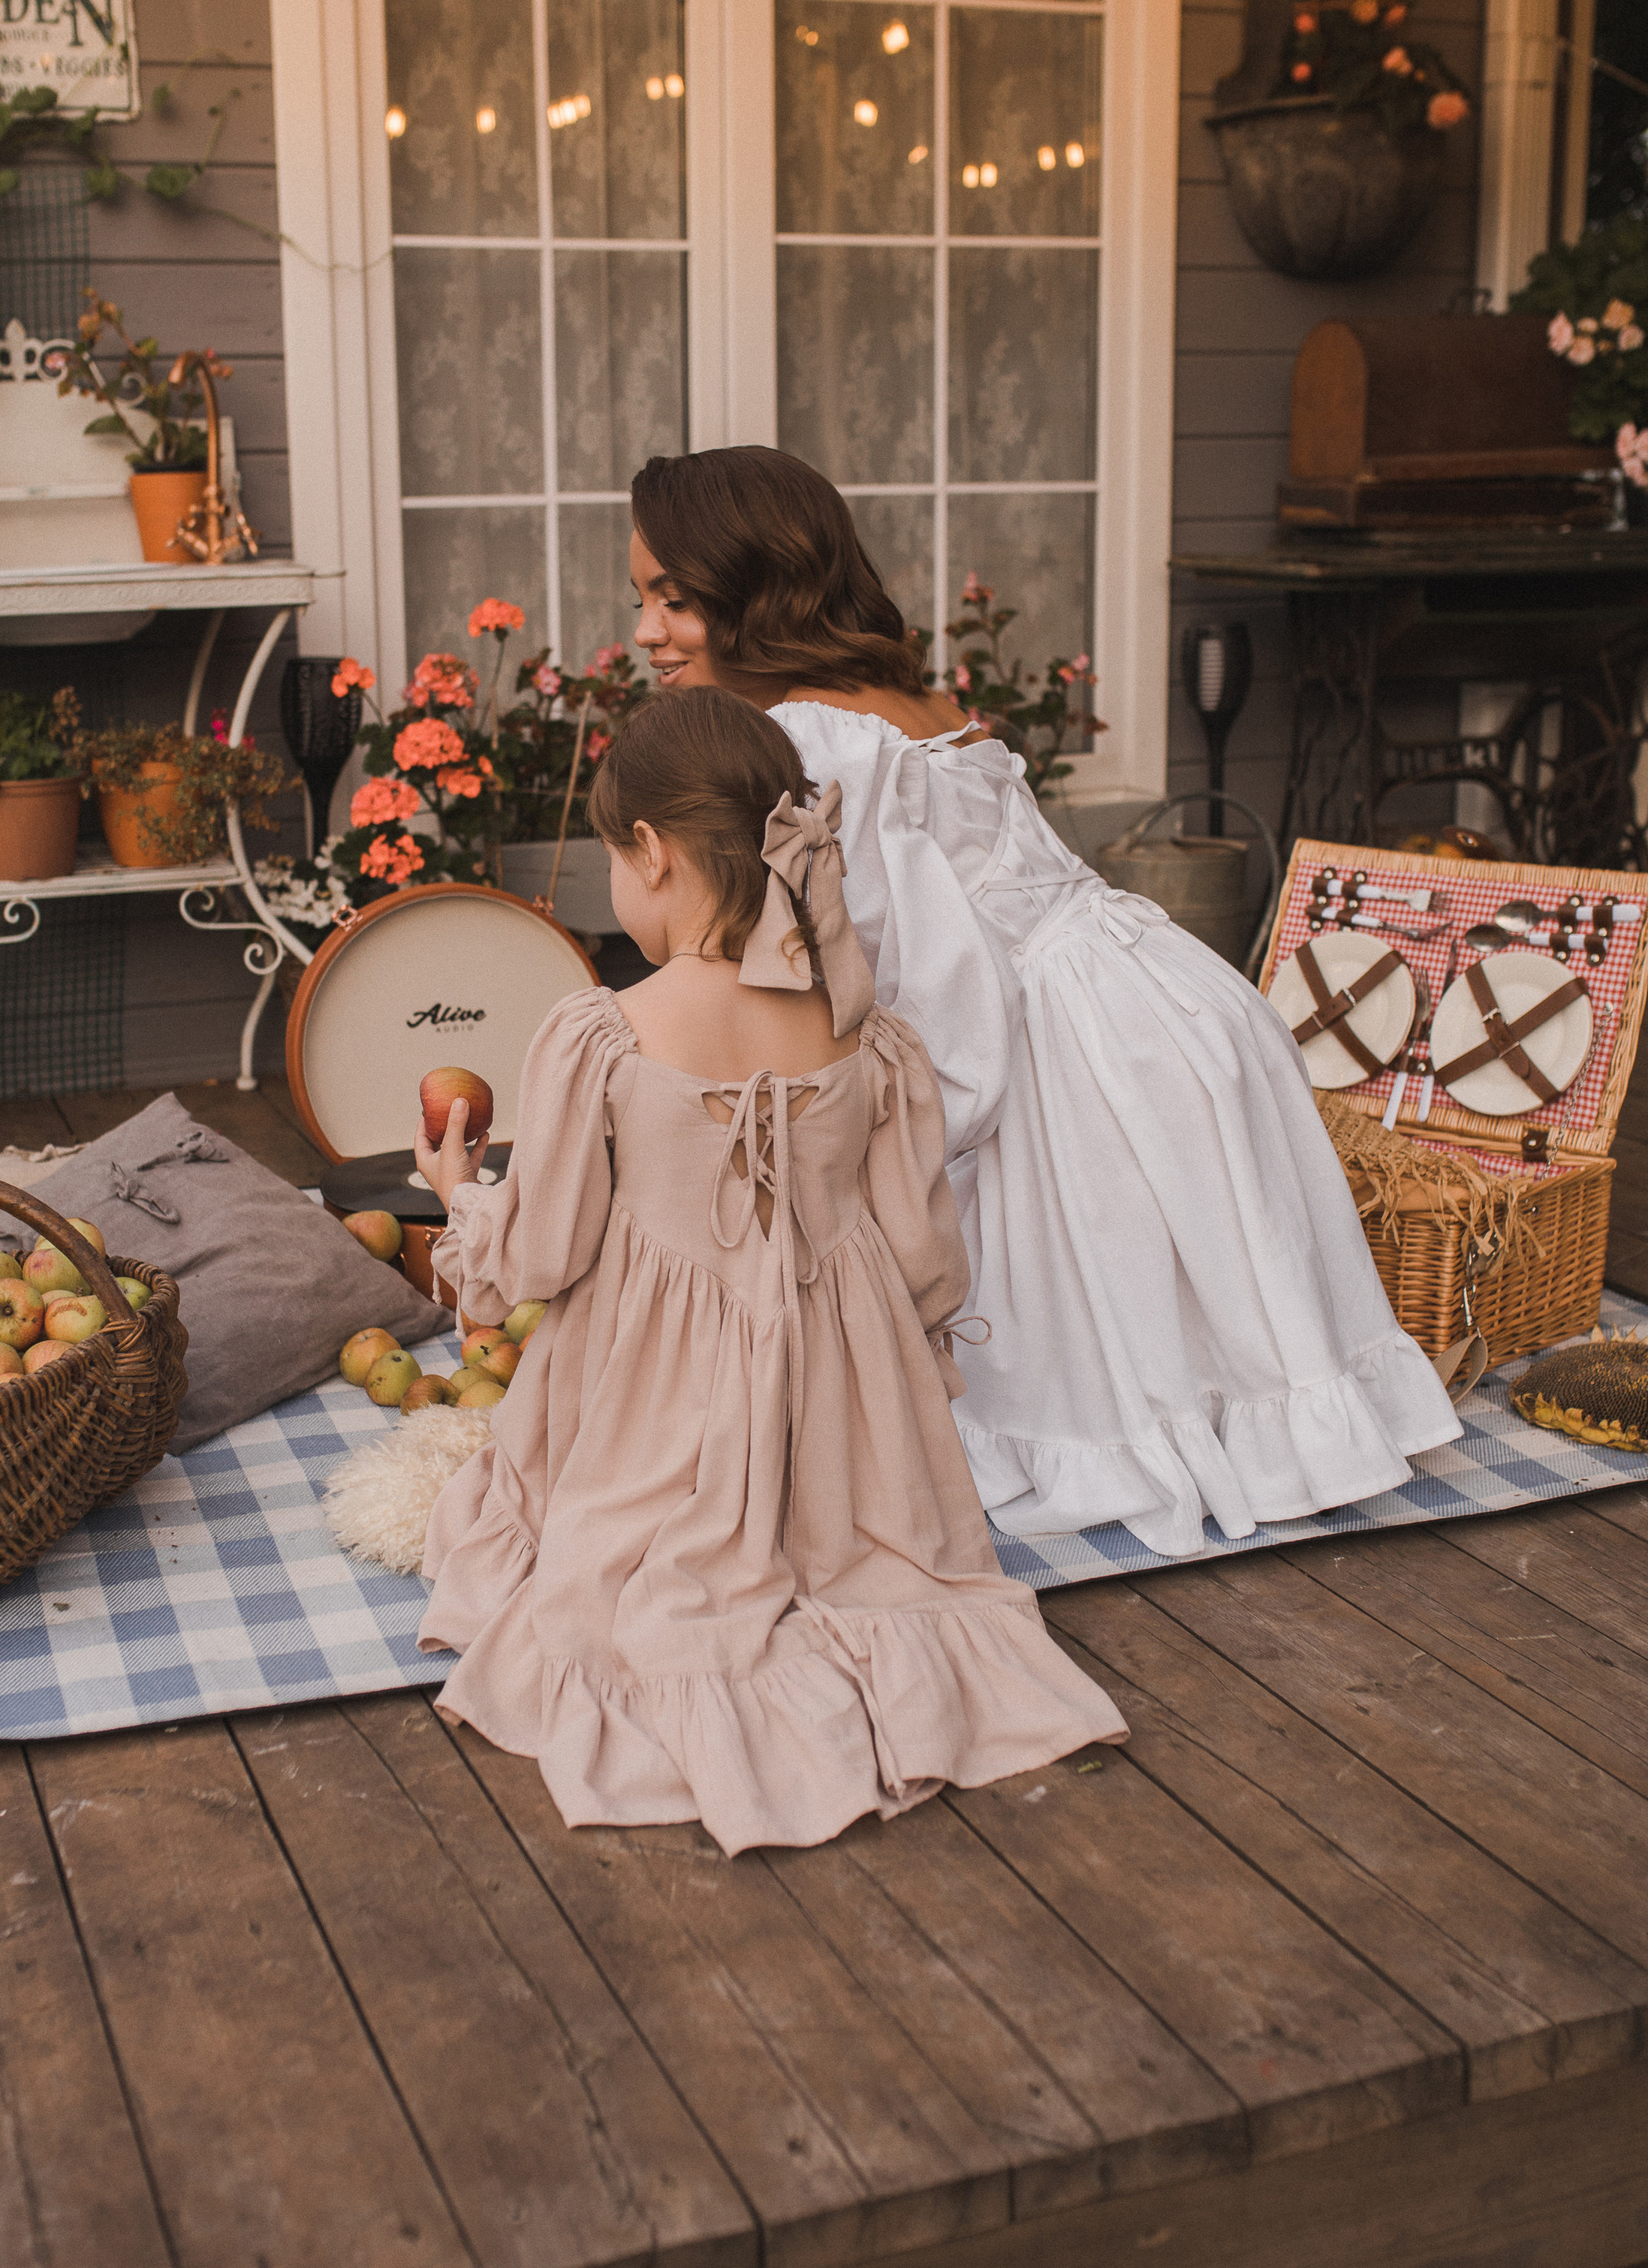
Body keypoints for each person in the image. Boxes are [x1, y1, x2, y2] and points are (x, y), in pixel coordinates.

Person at [624, 447, 1460, 1562]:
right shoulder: (907, 704)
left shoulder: (812, 742)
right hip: (1158, 995)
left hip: (1059, 1038)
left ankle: (1126, 1445)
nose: (647, 632)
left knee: (1068, 1300)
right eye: (642, 599)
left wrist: (876, 1136)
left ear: (755, 584)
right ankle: (1279, 1437)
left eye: (674, 600)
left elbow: (921, 980)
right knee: (1201, 1293)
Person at [414, 687, 1125, 1856]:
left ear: (652, 850)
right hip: (838, 1411)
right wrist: (912, 1352)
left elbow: (542, 1256)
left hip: (655, 1400)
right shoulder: (864, 1030)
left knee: (553, 1511)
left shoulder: (605, 1033)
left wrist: (460, 1198)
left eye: (613, 863)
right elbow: (921, 1250)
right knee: (878, 1563)